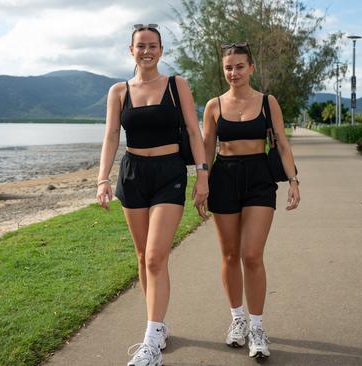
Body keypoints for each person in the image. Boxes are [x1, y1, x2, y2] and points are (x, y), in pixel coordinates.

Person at [96, 23, 209, 366]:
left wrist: (202, 176)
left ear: (161, 50)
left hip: (169, 173)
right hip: (132, 175)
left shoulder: (177, 86)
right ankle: (157, 327)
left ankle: (150, 342)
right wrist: (102, 180)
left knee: (156, 256)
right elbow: (112, 136)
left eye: (152, 46)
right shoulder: (118, 91)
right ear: (131, 51)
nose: (146, 51)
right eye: (140, 46)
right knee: (143, 254)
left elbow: (193, 130)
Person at [202, 42, 300, 359]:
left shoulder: (268, 102)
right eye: (229, 67)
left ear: (251, 68)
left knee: (253, 255)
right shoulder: (213, 105)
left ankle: (257, 327)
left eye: (240, 66)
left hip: (259, 177)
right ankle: (238, 320)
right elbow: (206, 147)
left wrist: (293, 181)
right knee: (230, 255)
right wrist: (201, 180)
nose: (234, 72)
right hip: (224, 178)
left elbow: (282, 145)